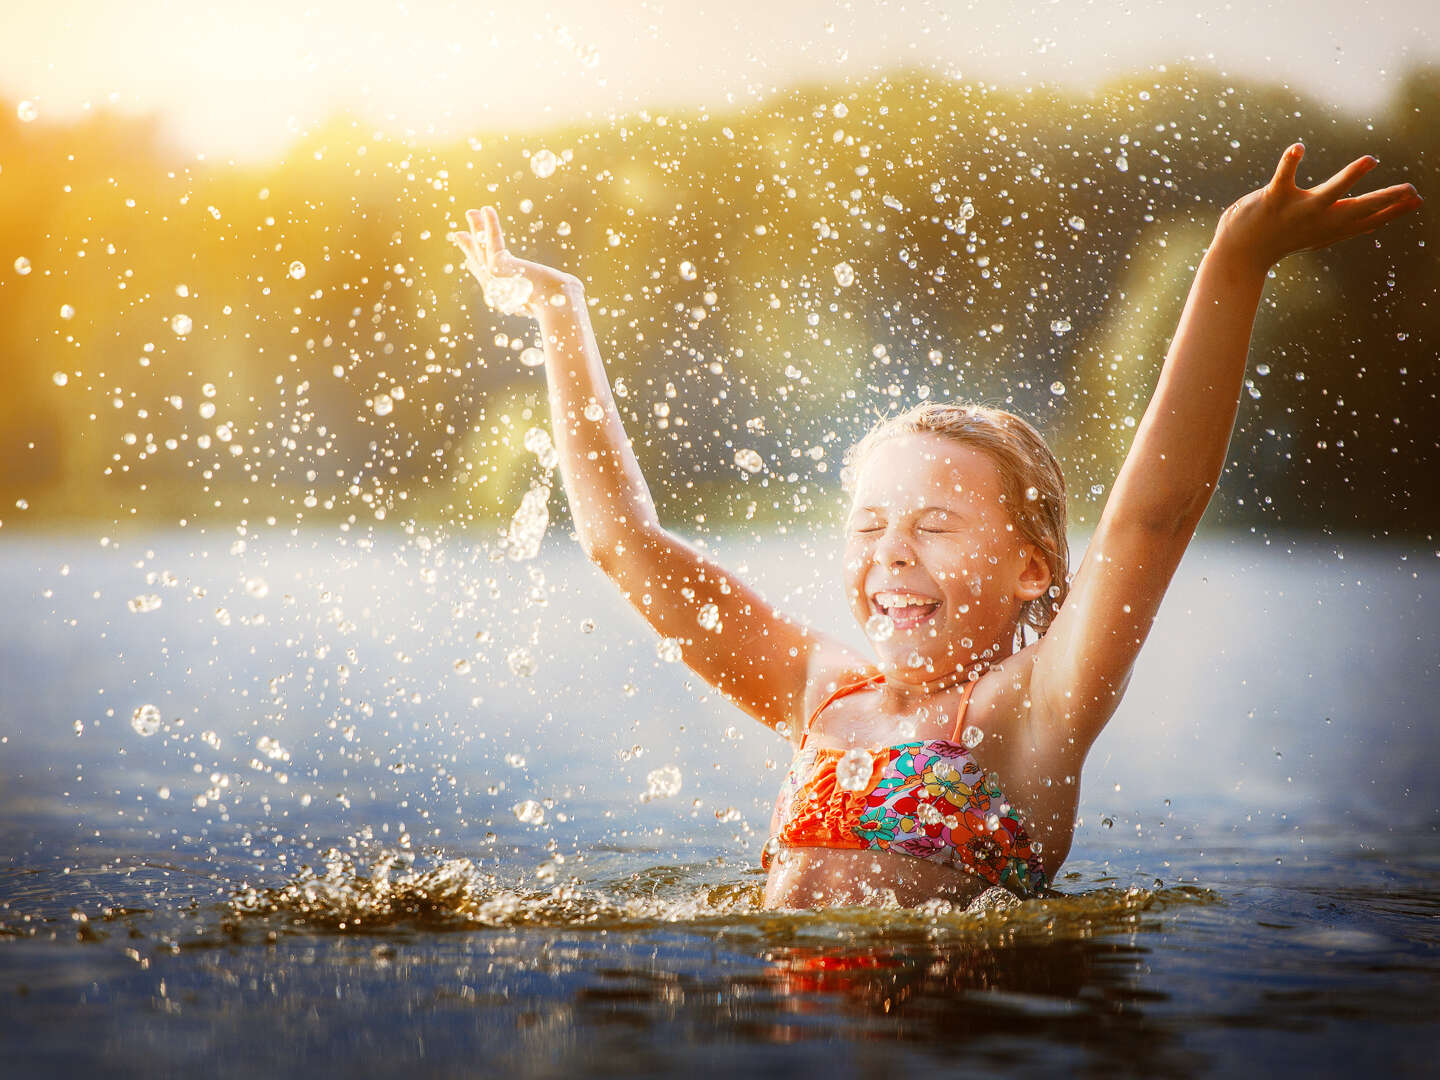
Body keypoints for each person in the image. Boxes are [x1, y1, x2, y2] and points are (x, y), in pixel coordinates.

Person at [451, 145, 1421, 910]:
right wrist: (558, 314)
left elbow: (1155, 515)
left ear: (1033, 568)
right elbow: (625, 544)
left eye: (935, 526)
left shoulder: (1034, 711)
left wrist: (1233, 264)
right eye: (868, 525)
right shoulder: (820, 695)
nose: (890, 554)